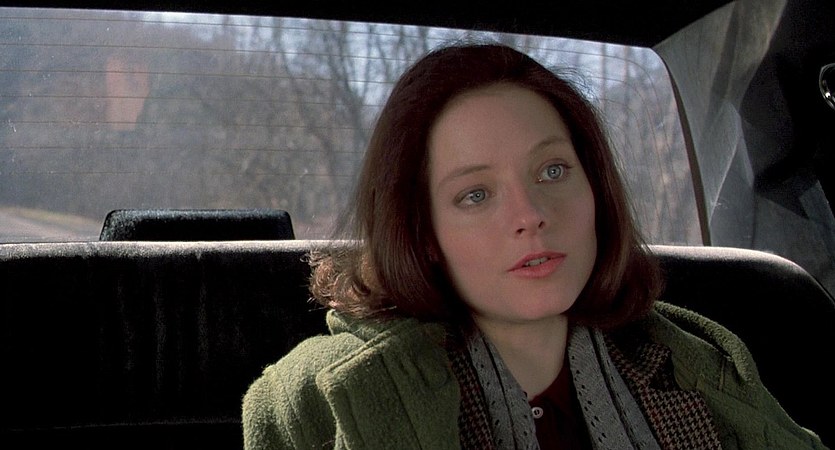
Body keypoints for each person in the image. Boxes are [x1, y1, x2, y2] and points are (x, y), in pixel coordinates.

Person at [242, 43, 827, 449]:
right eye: (475, 194)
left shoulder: (699, 364)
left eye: (552, 171)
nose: (530, 215)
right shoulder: (328, 399)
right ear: (423, 234)